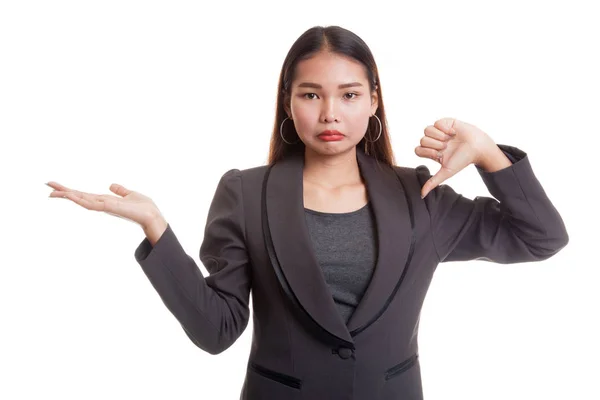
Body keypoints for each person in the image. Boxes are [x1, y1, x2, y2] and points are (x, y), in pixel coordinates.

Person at [47, 25, 569, 400]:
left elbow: (541, 238)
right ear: (288, 103)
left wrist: (487, 151)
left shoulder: (422, 196)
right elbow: (217, 331)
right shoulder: (245, 193)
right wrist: (156, 228)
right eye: (311, 94)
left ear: (372, 102)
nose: (329, 114)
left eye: (348, 95)